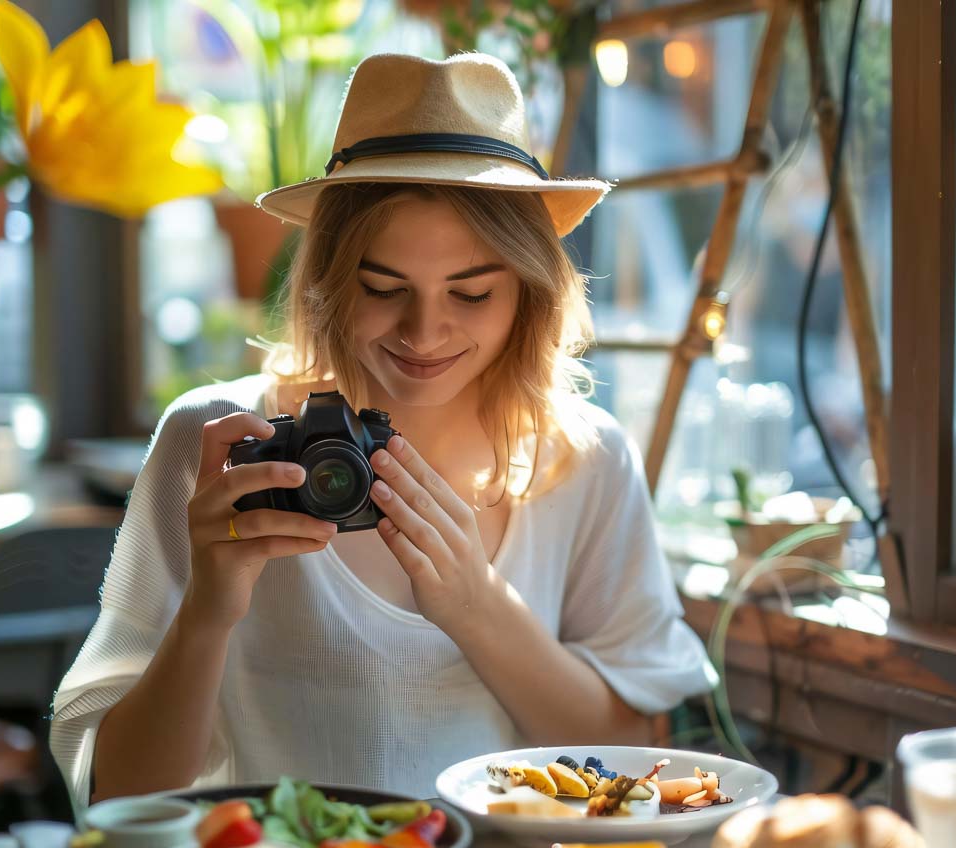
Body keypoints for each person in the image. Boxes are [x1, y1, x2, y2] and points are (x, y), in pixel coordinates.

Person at [51, 52, 712, 807]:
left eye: (470, 292)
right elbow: (115, 796)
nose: (424, 331)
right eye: (382, 287)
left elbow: (635, 758)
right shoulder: (221, 444)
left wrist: (476, 604)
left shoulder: (584, 460)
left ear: (530, 292)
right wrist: (208, 612)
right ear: (328, 278)